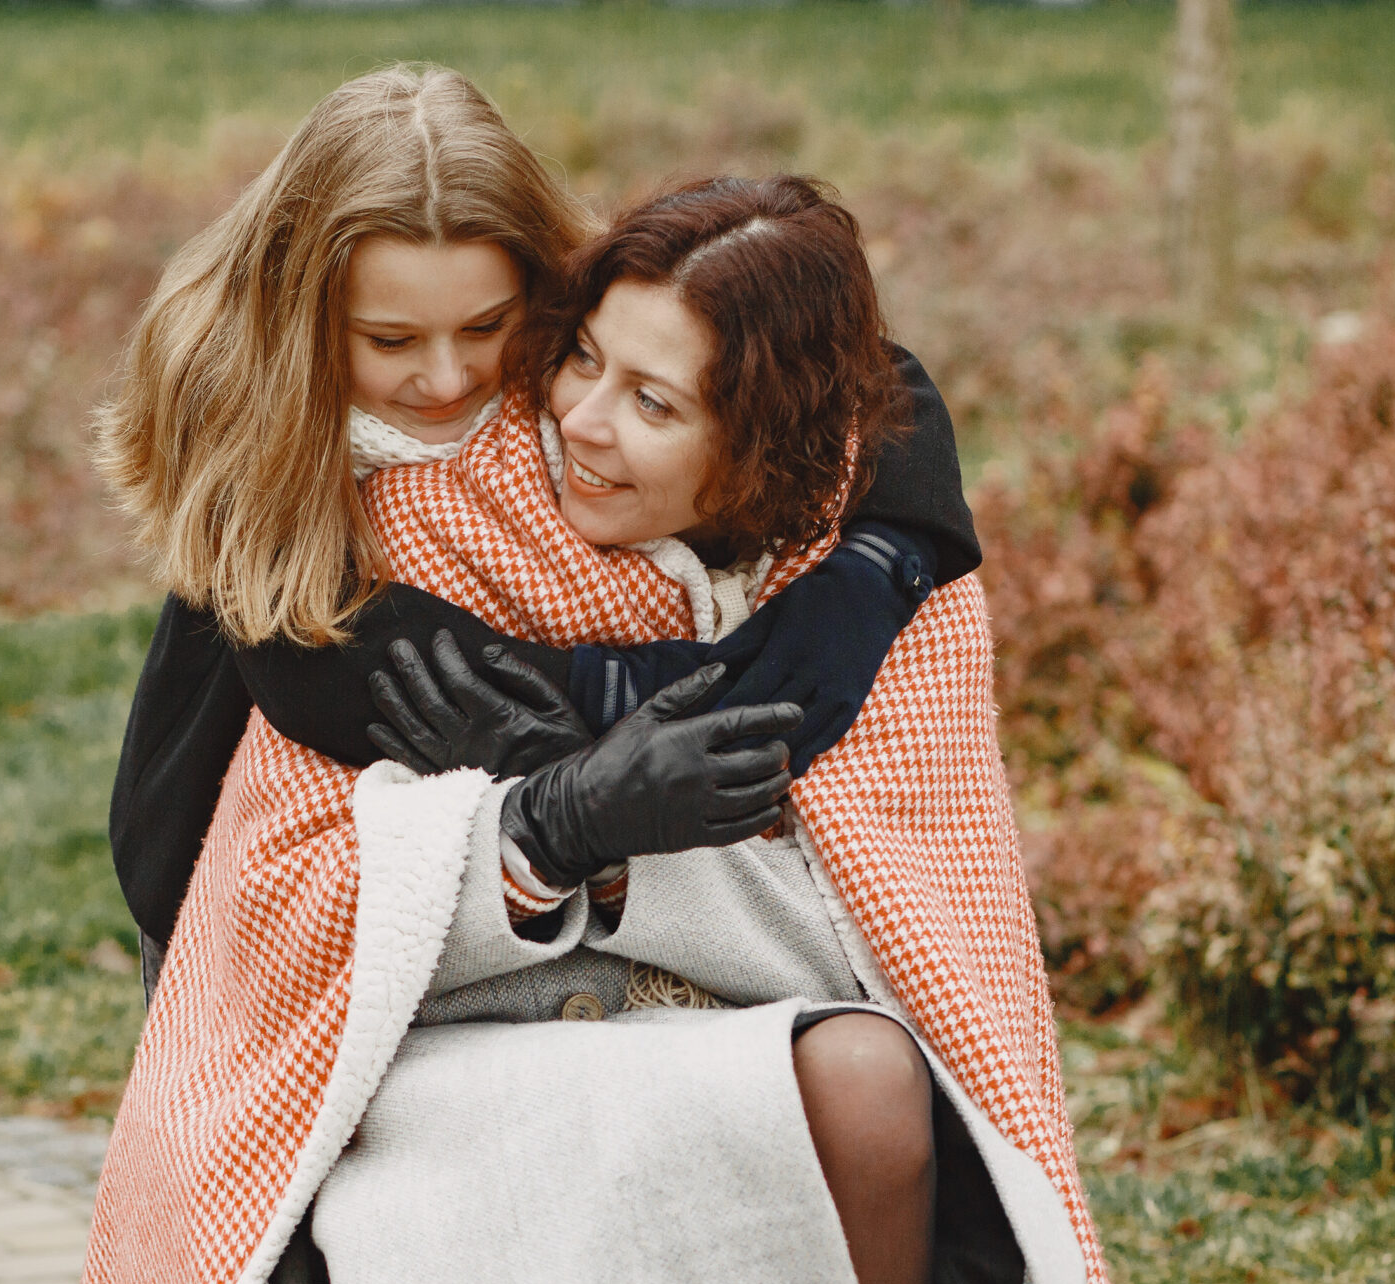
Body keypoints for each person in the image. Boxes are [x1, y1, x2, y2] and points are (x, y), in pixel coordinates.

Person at [40, 168, 1156, 1284]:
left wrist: (880, 565)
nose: (565, 412)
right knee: (692, 1111)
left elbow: (891, 908)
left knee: (882, 1083)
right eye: (583, 364)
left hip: (727, 1041)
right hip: (452, 1055)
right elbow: (278, 901)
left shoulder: (858, 572)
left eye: (647, 396)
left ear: (762, 434)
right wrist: (555, 824)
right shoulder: (374, 529)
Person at [96, 63, 981, 969]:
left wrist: (874, 571)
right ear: (306, 317)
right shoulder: (238, 403)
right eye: (391, 341)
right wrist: (585, 742)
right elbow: (369, 667)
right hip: (216, 869)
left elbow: (873, 371)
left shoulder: (578, 311)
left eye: (485, 327)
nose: (446, 380)